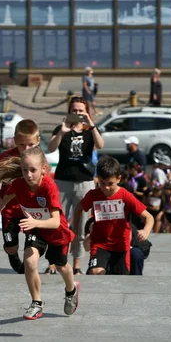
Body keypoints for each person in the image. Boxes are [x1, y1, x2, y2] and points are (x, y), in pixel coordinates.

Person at [0, 147, 79, 320]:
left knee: (61, 266)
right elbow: (10, 194)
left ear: (43, 169)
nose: (28, 175)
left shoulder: (49, 187)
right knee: (30, 261)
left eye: (33, 170)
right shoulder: (18, 184)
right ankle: (36, 303)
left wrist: (34, 222)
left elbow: (55, 221)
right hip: (36, 229)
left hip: (56, 232)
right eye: (25, 170)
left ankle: (71, 290)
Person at [48, 97, 104, 275]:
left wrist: (91, 124)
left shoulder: (89, 130)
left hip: (84, 182)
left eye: (81, 110)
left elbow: (101, 145)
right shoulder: (61, 128)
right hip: (63, 181)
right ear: (69, 111)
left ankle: (77, 264)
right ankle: (54, 261)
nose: (78, 114)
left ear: (87, 111)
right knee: (57, 223)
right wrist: (62, 132)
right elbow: (50, 148)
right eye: (75, 110)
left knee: (81, 226)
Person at [74, 156, 153, 275]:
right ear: (98, 179)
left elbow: (149, 217)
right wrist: (75, 231)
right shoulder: (93, 195)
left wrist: (146, 231)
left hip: (121, 245)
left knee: (120, 278)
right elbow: (78, 209)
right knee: (96, 272)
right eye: (102, 183)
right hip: (100, 243)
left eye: (110, 183)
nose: (106, 187)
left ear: (118, 179)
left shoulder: (125, 196)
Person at [0, 119, 41, 274]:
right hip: (10, 208)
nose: (26, 149)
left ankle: (28, 263)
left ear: (38, 141)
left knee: (31, 245)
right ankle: (12, 255)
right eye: (22, 145)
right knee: (11, 245)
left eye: (30, 145)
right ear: (15, 141)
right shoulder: (6, 157)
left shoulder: (40, 159)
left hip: (30, 210)